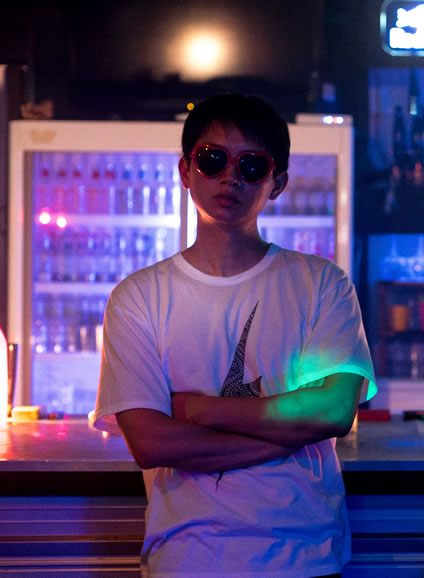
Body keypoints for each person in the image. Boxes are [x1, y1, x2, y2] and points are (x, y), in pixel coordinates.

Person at [93, 93, 376, 577]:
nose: (230, 176)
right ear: (186, 170)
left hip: (302, 554)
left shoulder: (323, 283)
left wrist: (201, 410)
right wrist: (287, 435)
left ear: (277, 182)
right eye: (213, 159)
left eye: (251, 164)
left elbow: (333, 411)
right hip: (188, 556)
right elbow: (151, 443)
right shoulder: (137, 297)